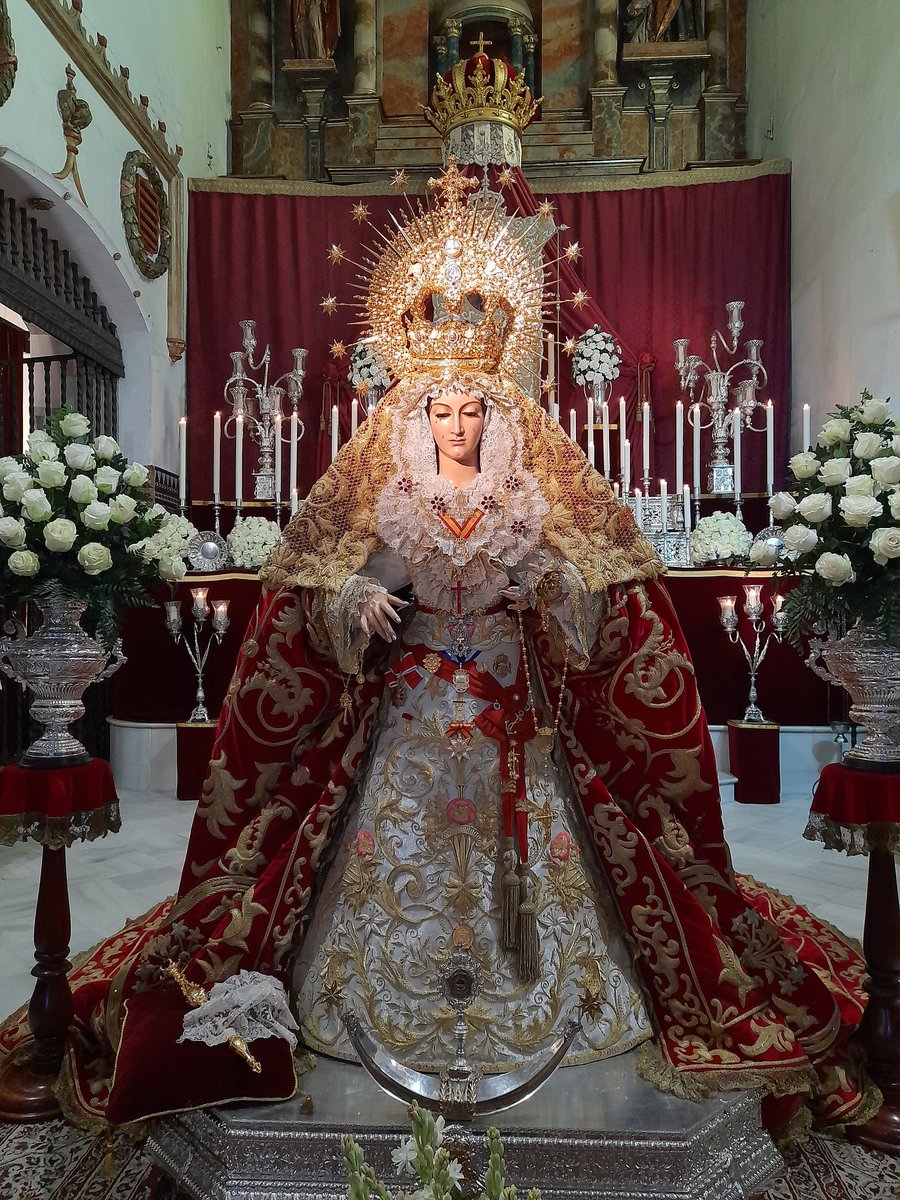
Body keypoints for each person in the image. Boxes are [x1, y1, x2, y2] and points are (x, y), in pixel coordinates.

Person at [0, 163, 874, 1137]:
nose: (458, 424)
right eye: (442, 411)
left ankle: (554, 1005)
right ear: (418, 413)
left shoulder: (529, 493)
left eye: (473, 410)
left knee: (527, 869)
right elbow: (319, 595)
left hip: (511, 719)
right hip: (409, 722)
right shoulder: (385, 491)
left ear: (498, 411)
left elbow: (595, 609)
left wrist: (537, 584)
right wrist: (362, 602)